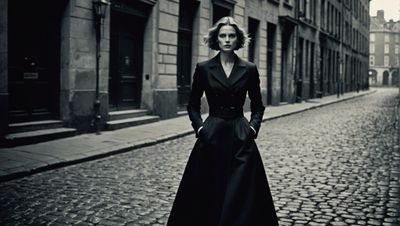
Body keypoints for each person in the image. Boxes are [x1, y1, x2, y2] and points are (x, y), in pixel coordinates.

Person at [167, 17, 279, 226]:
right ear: (216, 40)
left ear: (238, 40)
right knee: (206, 189)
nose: (227, 40)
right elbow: (192, 104)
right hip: (212, 134)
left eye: (231, 36)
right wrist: (200, 128)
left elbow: (258, 105)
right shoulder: (204, 68)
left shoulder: (249, 69)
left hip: (240, 135)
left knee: (241, 192)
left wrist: (252, 129)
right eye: (223, 36)